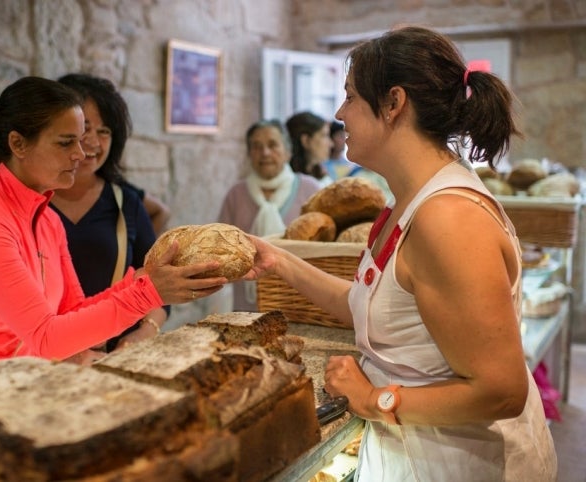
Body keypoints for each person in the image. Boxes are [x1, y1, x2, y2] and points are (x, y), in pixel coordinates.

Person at [243, 26, 556, 481]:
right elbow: (371, 305)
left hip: (467, 465)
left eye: (350, 97)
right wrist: (280, 261)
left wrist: (373, 400)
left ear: (393, 103)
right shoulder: (405, 201)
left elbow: (501, 391)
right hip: (417, 453)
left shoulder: (447, 219)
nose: (339, 112)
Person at [0, 76, 226, 385]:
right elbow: (47, 337)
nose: (81, 152)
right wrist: (149, 292)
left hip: (13, 392)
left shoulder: (46, 219)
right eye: (66, 142)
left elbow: (70, 310)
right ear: (18, 144)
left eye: (83, 138)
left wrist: (144, 278)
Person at [52, 73, 167, 351]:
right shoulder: (30, 202)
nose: (93, 142)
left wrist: (145, 331)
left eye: (105, 131)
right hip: (41, 357)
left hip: (111, 357)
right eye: (84, 128)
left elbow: (159, 287)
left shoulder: (125, 201)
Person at [217, 119, 321, 312]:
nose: (265, 153)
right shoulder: (236, 195)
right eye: (256, 147)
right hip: (247, 308)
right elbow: (221, 250)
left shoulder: (310, 190)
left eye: (273, 145)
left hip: (301, 303)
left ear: (288, 151)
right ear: (249, 154)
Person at [285, 111, 334, 188]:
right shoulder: (287, 181)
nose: (331, 144)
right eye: (324, 135)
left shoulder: (323, 177)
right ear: (306, 140)